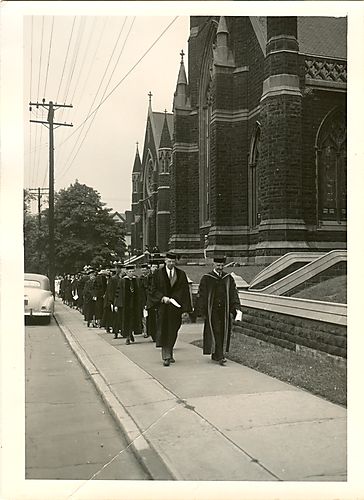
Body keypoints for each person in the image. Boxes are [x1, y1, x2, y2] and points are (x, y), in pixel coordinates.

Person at [149, 252, 192, 366]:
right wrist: (162, 298)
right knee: (164, 330)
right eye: (169, 261)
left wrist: (185, 310)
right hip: (163, 307)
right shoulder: (158, 274)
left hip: (175, 308)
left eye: (173, 261)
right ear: (165, 261)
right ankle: (166, 356)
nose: (171, 263)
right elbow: (153, 289)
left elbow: (185, 292)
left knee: (173, 330)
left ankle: (170, 351)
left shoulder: (181, 274)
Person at [197, 256, 241, 365]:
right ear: (213, 265)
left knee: (222, 331)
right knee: (216, 330)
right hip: (212, 309)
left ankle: (216, 354)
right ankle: (221, 356)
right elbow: (202, 295)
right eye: (218, 265)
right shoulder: (207, 278)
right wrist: (202, 311)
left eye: (222, 265)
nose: (220, 267)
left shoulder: (228, 278)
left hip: (224, 309)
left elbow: (233, 293)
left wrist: (236, 308)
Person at [116, 265, 143, 345]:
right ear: (126, 272)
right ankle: (127, 336)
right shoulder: (122, 281)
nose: (131, 273)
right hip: (125, 305)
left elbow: (141, 292)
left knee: (133, 320)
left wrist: (142, 303)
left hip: (135, 304)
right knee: (126, 320)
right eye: (129, 272)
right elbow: (118, 293)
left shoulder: (137, 280)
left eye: (132, 271)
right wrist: (117, 304)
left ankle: (131, 333)